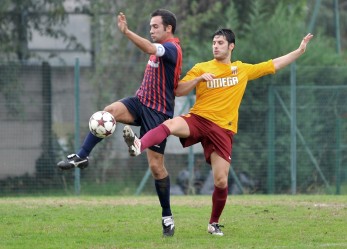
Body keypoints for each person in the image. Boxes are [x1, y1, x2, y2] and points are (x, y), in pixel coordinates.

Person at [123, 29, 313, 236]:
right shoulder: (201, 67)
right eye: (214, 42)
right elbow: (178, 90)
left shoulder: (241, 69)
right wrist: (198, 80)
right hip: (199, 119)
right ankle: (139, 144)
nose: (215, 46)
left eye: (220, 42)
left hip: (223, 129)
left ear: (231, 46)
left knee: (221, 180)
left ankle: (213, 223)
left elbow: (272, 65)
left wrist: (299, 51)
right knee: (170, 125)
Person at [57, 9, 182, 237]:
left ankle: (167, 216)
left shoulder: (172, 48)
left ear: (168, 29)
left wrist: (126, 32)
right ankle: (83, 154)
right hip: (140, 102)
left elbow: (148, 48)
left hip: (158, 114)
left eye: (155, 26)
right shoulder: (161, 51)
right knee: (108, 112)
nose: (151, 30)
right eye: (150, 26)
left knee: (156, 167)